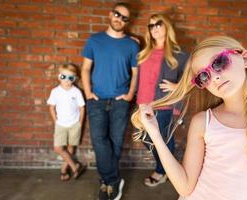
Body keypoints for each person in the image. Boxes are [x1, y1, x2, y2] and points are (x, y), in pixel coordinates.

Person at [132, 36, 247, 200]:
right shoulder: (203, 122)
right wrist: (155, 134)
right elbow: (185, 187)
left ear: (245, 58)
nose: (215, 77)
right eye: (204, 76)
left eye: (219, 63)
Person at [81, 2, 139, 200]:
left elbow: (135, 72)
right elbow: (86, 68)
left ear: (127, 22)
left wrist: (131, 94)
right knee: (99, 140)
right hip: (96, 100)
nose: (119, 19)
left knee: (115, 142)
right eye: (117, 14)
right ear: (110, 14)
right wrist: (88, 92)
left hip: (120, 101)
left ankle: (106, 181)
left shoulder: (132, 45)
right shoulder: (94, 40)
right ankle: (113, 180)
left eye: (124, 18)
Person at [136, 13, 189, 187]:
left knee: (163, 140)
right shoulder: (145, 52)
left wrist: (177, 87)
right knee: (145, 138)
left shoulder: (179, 55)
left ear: (167, 26)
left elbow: (193, 79)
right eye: (151, 26)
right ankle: (165, 168)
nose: (154, 28)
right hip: (142, 104)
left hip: (162, 106)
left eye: (159, 24)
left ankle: (161, 171)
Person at [47, 63, 86, 181]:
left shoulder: (76, 92)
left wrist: (80, 123)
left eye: (71, 78)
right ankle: (75, 166)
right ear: (59, 76)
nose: (67, 81)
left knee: (70, 147)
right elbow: (51, 107)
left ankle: (64, 169)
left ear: (75, 79)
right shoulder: (55, 91)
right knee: (58, 147)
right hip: (60, 124)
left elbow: (82, 108)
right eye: (64, 77)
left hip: (74, 124)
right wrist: (56, 121)